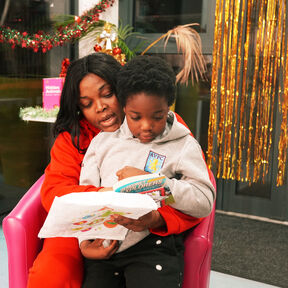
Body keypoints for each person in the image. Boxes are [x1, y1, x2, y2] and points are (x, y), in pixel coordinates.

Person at [27, 53, 214, 288]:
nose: (101, 107)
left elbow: (198, 192)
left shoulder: (163, 128)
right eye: (87, 103)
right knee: (51, 273)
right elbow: (54, 193)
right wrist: (108, 196)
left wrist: (156, 212)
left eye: (107, 94)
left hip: (147, 235)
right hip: (85, 225)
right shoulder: (81, 140)